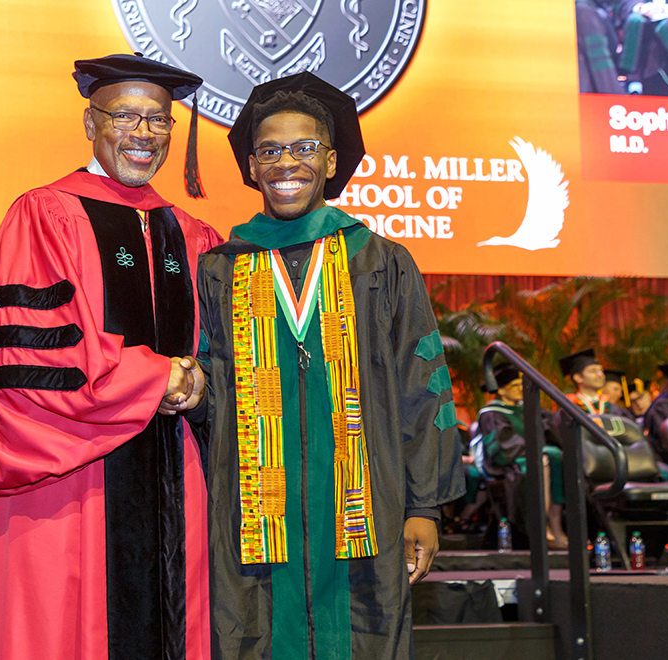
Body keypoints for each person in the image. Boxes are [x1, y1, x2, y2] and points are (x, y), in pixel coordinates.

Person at [0, 53, 222, 659]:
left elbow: (221, 356)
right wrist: (159, 377)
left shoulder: (195, 235)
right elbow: (36, 360)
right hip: (73, 483)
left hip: (177, 482)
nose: (142, 133)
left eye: (158, 120)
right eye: (124, 116)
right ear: (89, 123)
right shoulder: (44, 215)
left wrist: (204, 385)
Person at [197, 72, 465, 658]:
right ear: (251, 164)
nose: (286, 163)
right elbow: (208, 392)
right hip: (252, 516)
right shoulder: (220, 268)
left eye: (303, 148)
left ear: (331, 159)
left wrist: (425, 506)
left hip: (365, 507)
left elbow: (422, 386)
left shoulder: (381, 260)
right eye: (269, 150)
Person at [477, 363, 567, 549]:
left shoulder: (531, 409)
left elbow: (551, 434)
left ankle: (557, 526)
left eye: (521, 384)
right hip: (509, 463)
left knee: (558, 457)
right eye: (515, 386)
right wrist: (536, 450)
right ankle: (541, 528)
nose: (520, 389)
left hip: (541, 457)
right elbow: (501, 447)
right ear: (501, 390)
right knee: (542, 461)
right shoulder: (492, 413)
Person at [557, 349, 635, 420]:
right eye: (593, 371)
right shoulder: (569, 409)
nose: (600, 374)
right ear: (578, 377)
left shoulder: (612, 408)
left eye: (601, 370)